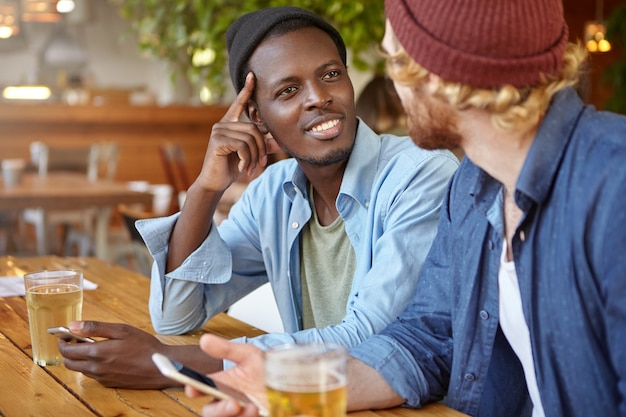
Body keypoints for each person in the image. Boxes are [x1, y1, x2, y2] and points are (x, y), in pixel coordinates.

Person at [187, 0, 626, 416]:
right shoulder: (473, 186)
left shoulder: (613, 188)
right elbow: (426, 340)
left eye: (396, 60)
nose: (394, 86)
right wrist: (292, 390)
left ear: (440, 72)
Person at [57, 6, 458, 389]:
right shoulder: (273, 193)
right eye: (288, 90)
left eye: (331, 74)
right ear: (257, 118)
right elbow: (176, 316)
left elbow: (372, 338)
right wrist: (206, 188)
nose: (318, 97)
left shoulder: (420, 174)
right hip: (312, 399)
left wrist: (172, 365)